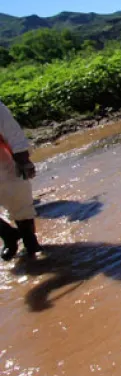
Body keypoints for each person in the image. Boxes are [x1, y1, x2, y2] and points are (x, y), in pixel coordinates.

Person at [0, 101, 41, 260]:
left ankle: (29, 239)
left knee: (18, 198)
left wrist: (22, 157)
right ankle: (8, 235)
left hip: (3, 162)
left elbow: (10, 128)